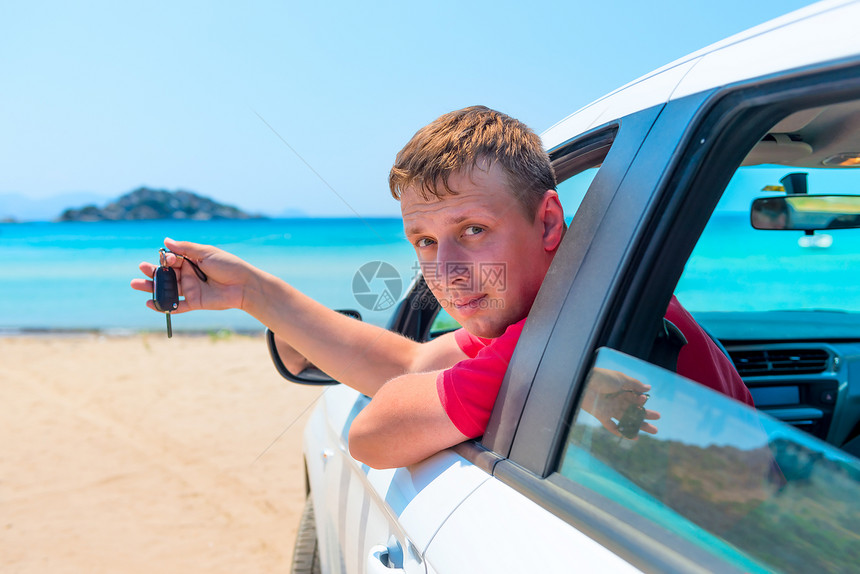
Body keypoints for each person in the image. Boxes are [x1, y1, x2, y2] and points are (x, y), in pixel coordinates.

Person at [132, 106, 749, 469]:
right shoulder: (579, 303)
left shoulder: (564, 337)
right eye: (424, 241)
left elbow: (372, 434)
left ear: (550, 222)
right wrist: (251, 293)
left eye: (473, 230)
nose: (446, 271)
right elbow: (413, 361)